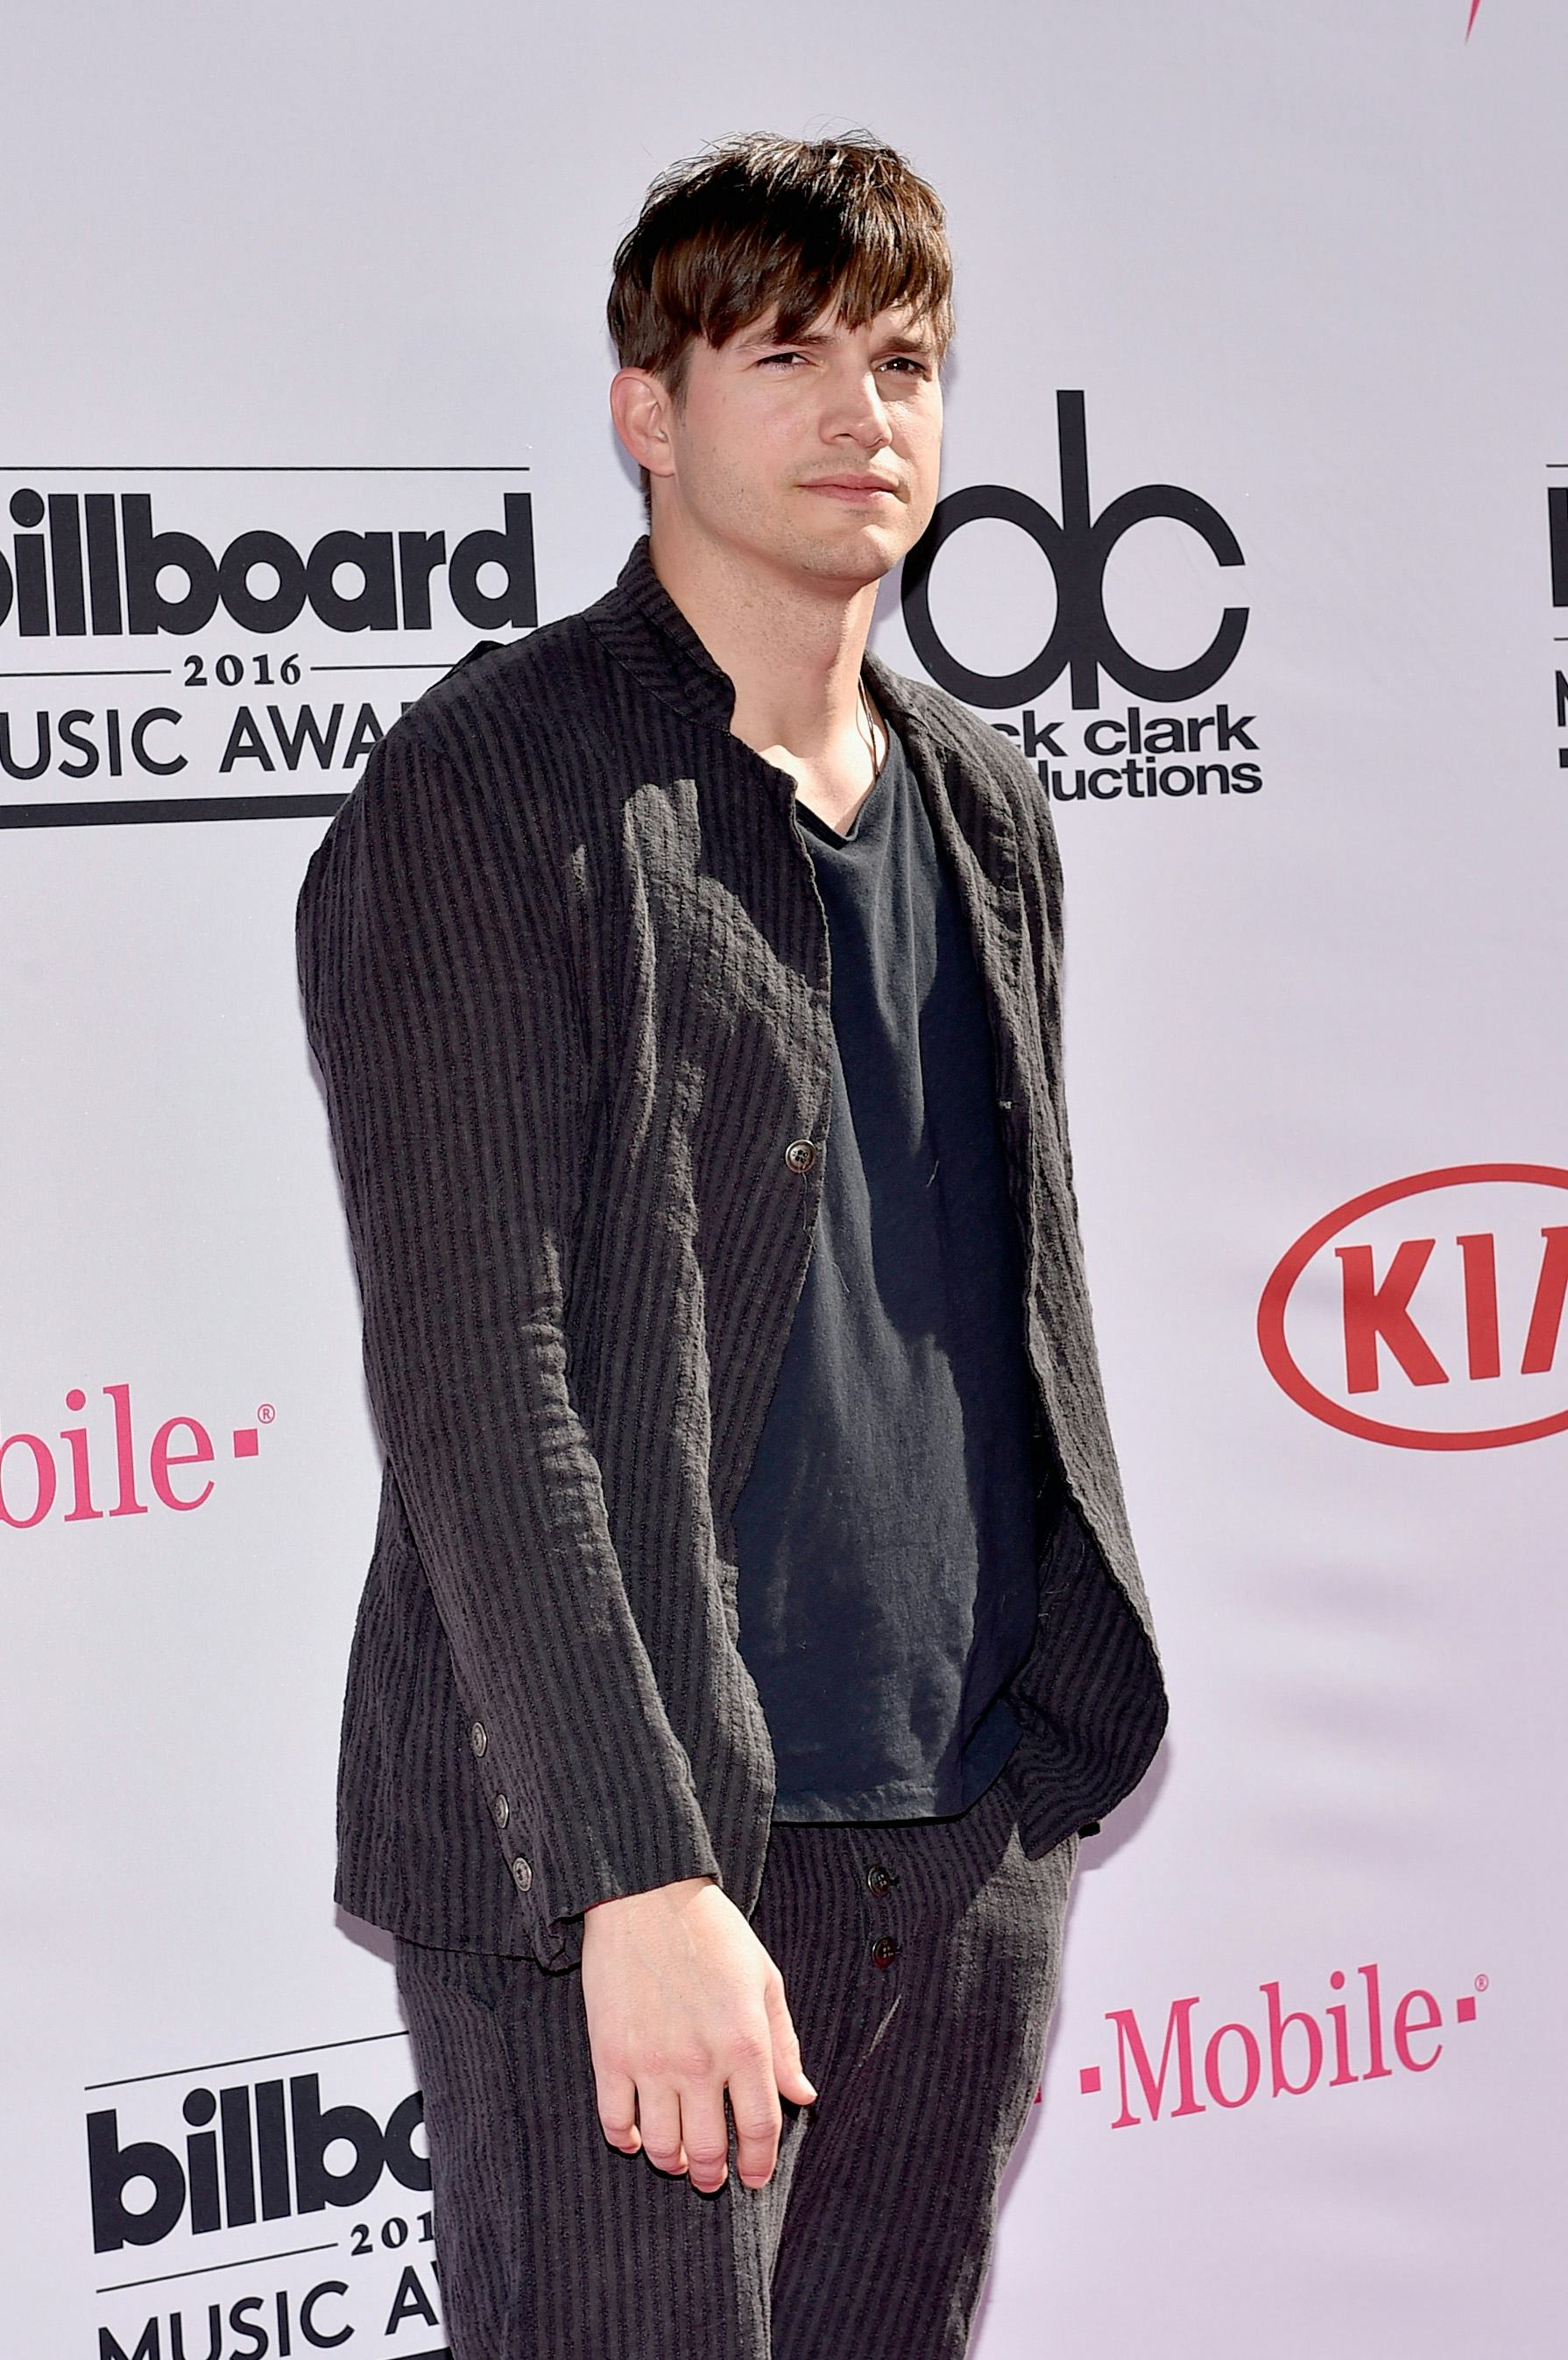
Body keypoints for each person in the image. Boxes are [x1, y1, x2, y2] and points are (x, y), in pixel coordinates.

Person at [294, 129, 1167, 2360]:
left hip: (960, 1834)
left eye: (905, 361)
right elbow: (480, 1376)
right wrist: (637, 1868)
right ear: (648, 413)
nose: (862, 412)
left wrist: (1024, 1810)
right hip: (627, 1866)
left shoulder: (984, 802)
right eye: (785, 355)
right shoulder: (492, 786)